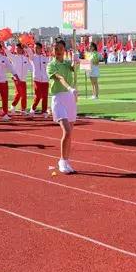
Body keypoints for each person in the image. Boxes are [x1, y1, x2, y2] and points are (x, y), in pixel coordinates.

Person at [48, 39, 78, 174]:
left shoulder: (67, 63)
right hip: (58, 98)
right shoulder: (51, 65)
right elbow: (60, 78)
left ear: (64, 50)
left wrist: (77, 60)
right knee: (66, 130)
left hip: (70, 99)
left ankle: (66, 160)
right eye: (55, 48)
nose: (58, 51)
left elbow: (76, 67)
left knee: (70, 133)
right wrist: (70, 88)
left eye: (60, 48)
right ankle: (61, 160)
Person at [28, 42, 50, 117]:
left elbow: (49, 65)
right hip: (37, 79)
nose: (35, 49)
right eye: (34, 47)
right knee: (38, 96)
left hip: (45, 80)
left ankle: (44, 111)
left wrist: (48, 54)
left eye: (37, 47)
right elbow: (29, 52)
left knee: (45, 96)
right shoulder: (33, 57)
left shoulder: (45, 58)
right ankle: (33, 108)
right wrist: (26, 47)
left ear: (41, 49)